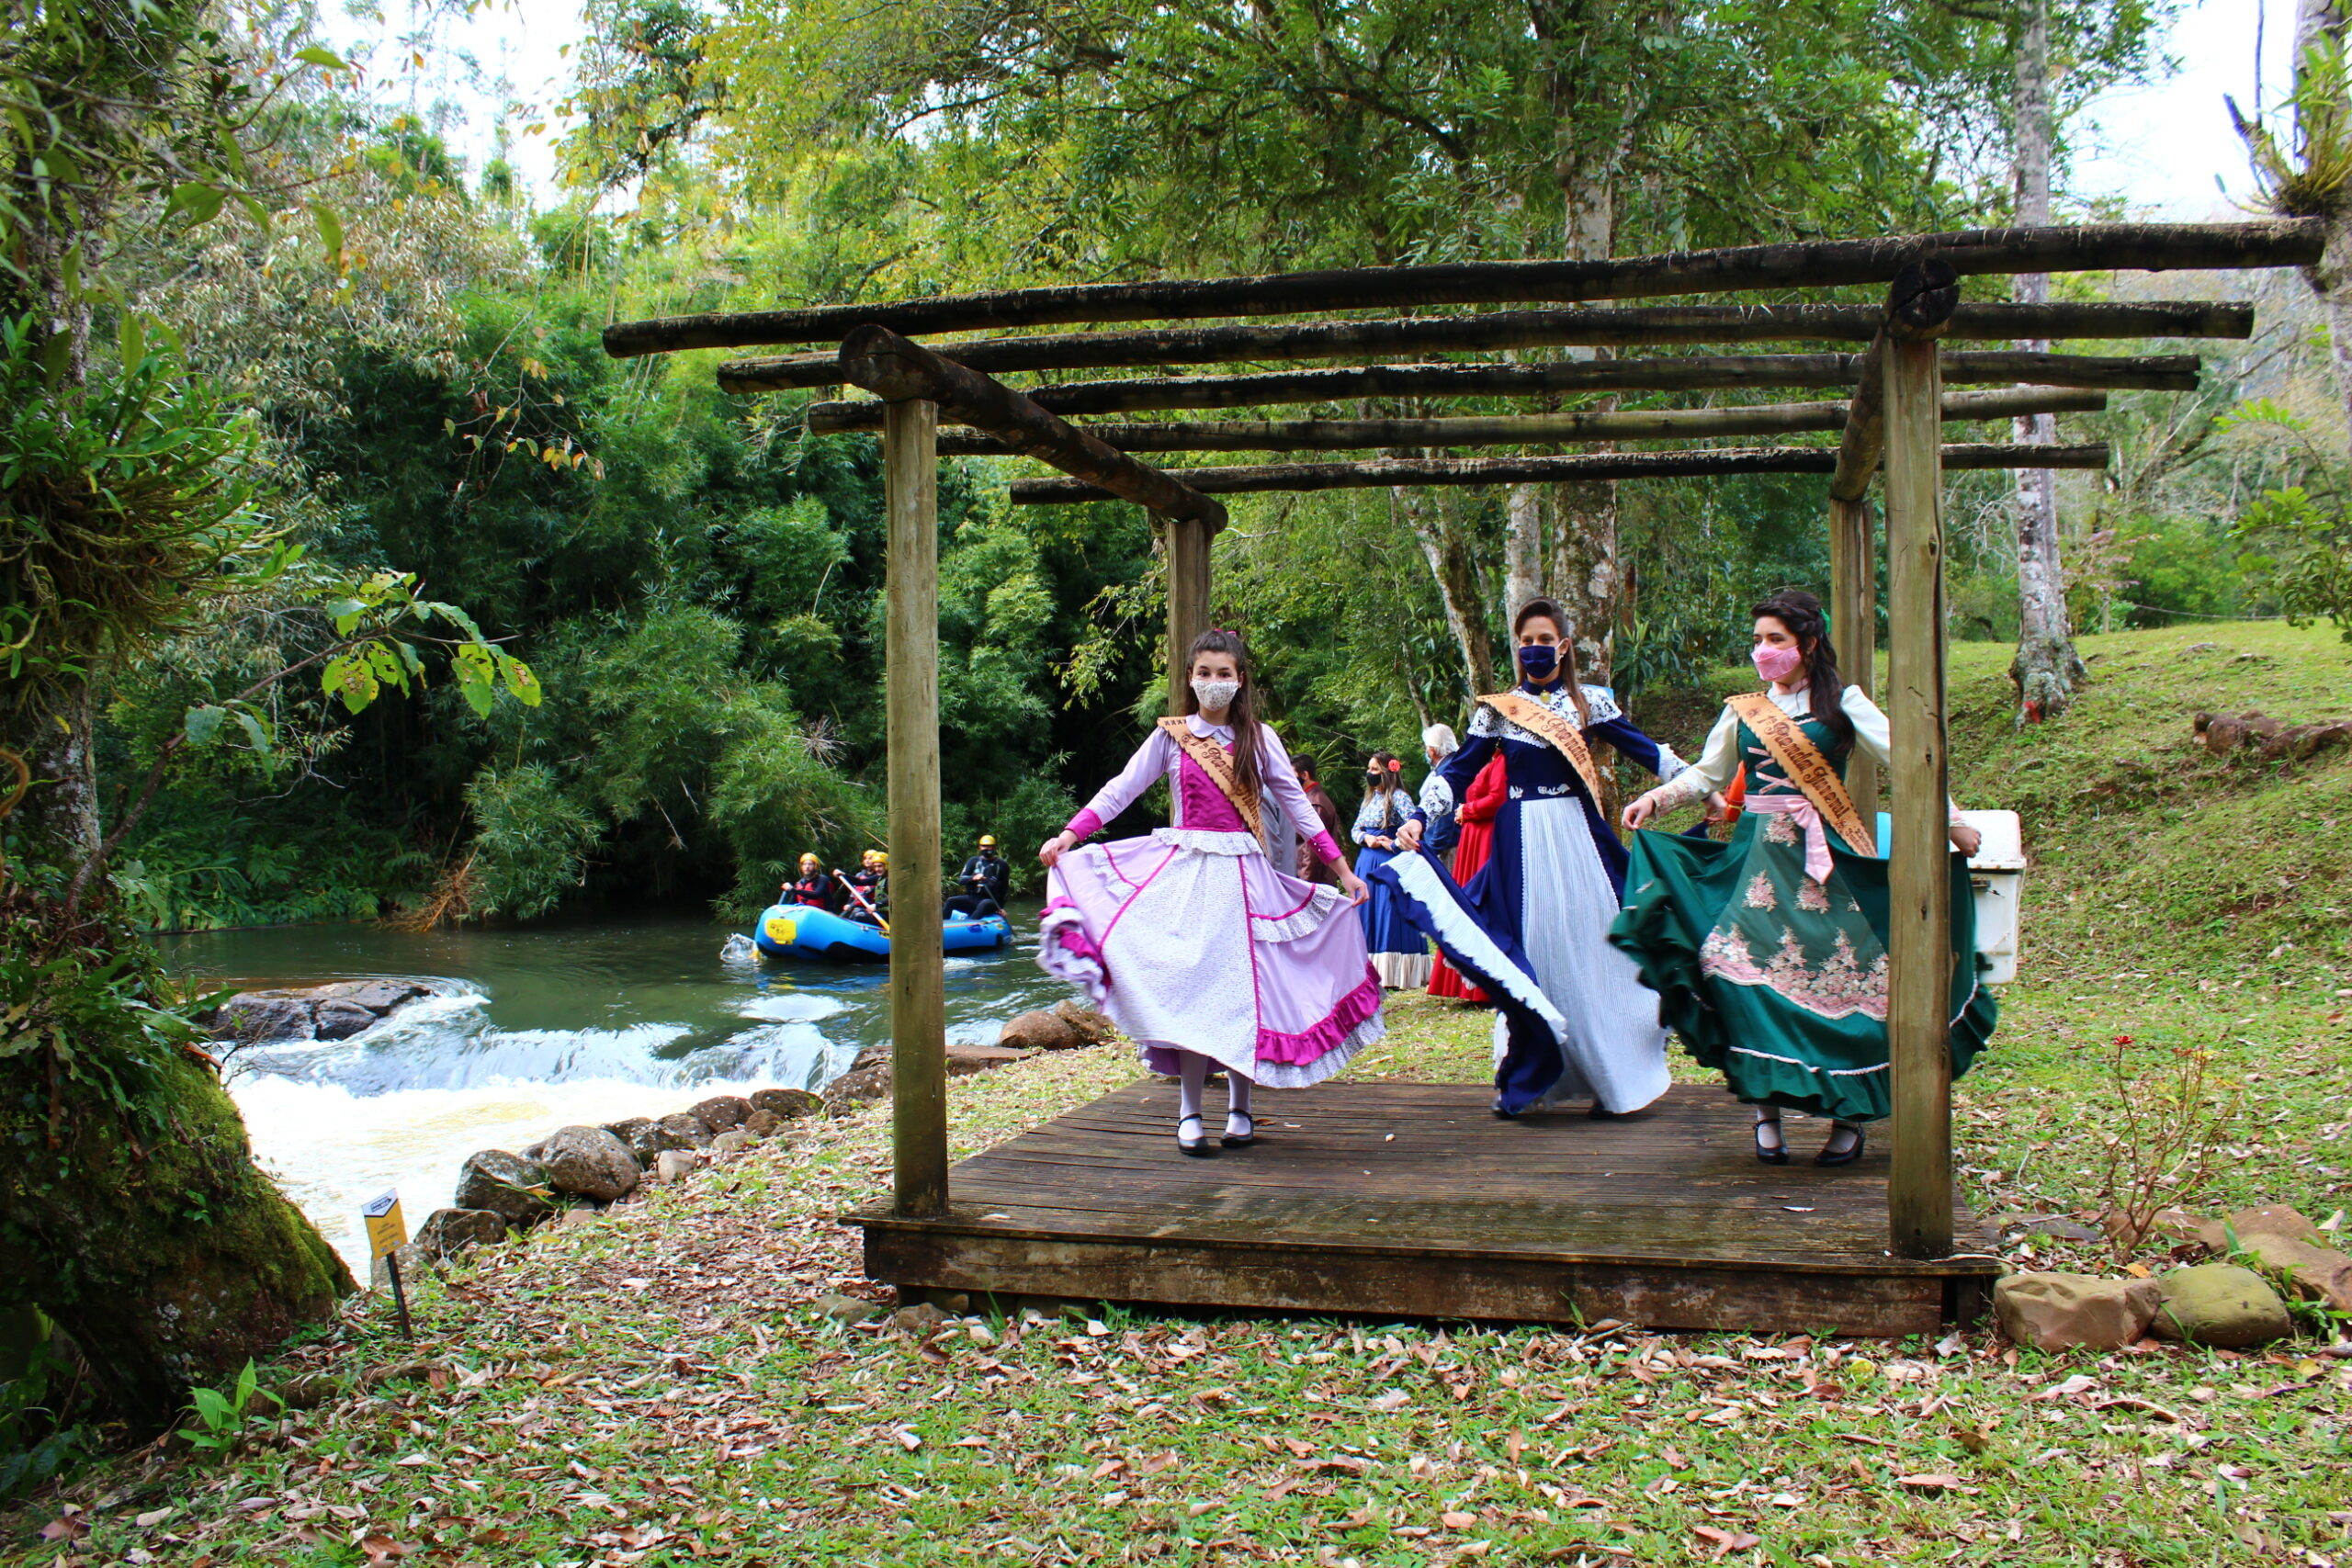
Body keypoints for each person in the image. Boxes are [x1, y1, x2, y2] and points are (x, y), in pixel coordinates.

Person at [1612, 589, 1995, 1167]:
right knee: (1740, 978)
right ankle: (1766, 1112)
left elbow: (1909, 759)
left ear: (1808, 644)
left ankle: (1849, 1115)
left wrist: (1954, 820)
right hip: (1754, 865)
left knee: (1849, 982)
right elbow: (1707, 774)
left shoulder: (1844, 703)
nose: (1763, 651)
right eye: (1758, 640)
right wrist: (1657, 799)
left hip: (1825, 864)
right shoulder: (1744, 710)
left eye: (1777, 640)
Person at [1037, 628, 1378, 1156]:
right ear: (1190, 678)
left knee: (1244, 992)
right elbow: (1122, 789)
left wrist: (1343, 869)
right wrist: (1070, 834)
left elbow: (1299, 808)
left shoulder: (1260, 739)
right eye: (1204, 673)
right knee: (1194, 993)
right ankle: (1190, 1112)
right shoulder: (1171, 737)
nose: (1213, 681)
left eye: (1224, 673)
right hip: (1187, 878)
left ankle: (1240, 1108)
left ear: (1240, 680)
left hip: (1245, 879)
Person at [1385, 597, 1692, 1120]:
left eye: (1544, 640)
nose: (1534, 648)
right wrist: (1419, 816)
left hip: (1579, 838)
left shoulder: (1590, 703)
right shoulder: (1499, 709)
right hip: (1521, 843)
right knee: (1536, 952)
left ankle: (1614, 1077)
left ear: (1563, 646)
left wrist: (1697, 785)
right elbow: (1459, 769)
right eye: (1526, 641)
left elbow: (1646, 750)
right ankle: (1532, 1078)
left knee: (1599, 952)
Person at [1426, 751, 1507, 1002]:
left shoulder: (1503, 761)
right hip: (1473, 837)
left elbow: (1498, 799)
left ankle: (1485, 987)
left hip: (1486, 838)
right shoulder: (1492, 760)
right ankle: (1465, 985)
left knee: (1482, 906)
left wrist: (1467, 810)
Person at [1353, 753, 1430, 988]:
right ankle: (1368, 970)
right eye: (1369, 768)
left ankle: (1393, 973)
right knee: (1369, 913)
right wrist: (1366, 838)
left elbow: (1416, 830)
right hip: (1367, 862)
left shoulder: (1399, 797)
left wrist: (1393, 844)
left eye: (1375, 769)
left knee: (1389, 914)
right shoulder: (1369, 799)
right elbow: (1355, 829)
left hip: (1390, 864)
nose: (1370, 773)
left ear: (1387, 772)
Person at [1418, 723, 1463, 868]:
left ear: (1432, 750)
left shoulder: (1445, 772)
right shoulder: (1459, 764)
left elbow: (1446, 815)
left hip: (1448, 848)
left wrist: (1432, 848)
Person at [1293, 762, 1345, 887]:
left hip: (1313, 880)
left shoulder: (1315, 804)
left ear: (1304, 775)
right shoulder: (1308, 799)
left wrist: (1304, 885)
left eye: (1291, 775)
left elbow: (1312, 850)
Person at [947, 835, 1010, 918]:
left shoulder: (1002, 865)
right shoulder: (973, 861)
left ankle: (971, 923)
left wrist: (1001, 907)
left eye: (989, 846)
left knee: (985, 903)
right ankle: (941, 923)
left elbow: (1005, 889)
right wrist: (973, 878)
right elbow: (961, 880)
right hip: (973, 898)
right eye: (984, 846)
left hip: (991, 901)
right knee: (951, 900)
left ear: (994, 847)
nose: (986, 849)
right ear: (980, 847)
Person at [843, 851, 889, 924]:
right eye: (875, 866)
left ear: (886, 866)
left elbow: (893, 897)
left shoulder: (890, 879)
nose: (877, 869)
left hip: (888, 915)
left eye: (880, 866)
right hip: (879, 912)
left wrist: (876, 905)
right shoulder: (879, 877)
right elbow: (860, 882)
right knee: (855, 913)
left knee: (859, 916)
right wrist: (844, 875)